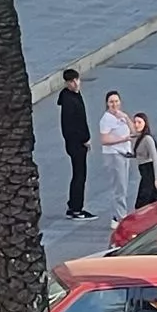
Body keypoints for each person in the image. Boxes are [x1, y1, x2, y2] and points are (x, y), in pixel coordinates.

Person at [58, 68, 94, 221]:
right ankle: (76, 208)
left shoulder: (73, 96)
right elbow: (74, 125)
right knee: (79, 175)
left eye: (76, 80)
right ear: (67, 83)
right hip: (76, 144)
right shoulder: (69, 101)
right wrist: (85, 139)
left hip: (76, 143)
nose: (76, 83)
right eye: (72, 81)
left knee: (79, 174)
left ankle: (74, 204)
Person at [99, 90, 135, 220]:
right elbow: (104, 140)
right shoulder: (106, 119)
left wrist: (125, 117)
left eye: (116, 101)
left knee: (124, 185)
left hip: (125, 154)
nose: (114, 104)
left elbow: (134, 131)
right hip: (114, 154)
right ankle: (120, 216)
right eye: (111, 102)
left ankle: (119, 215)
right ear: (107, 104)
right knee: (119, 187)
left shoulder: (121, 116)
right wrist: (123, 139)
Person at [130, 113, 157, 211]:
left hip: (149, 170)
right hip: (144, 171)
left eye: (139, 122)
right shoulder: (137, 137)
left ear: (145, 123)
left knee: (142, 200)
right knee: (153, 198)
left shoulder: (147, 139)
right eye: (135, 122)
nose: (136, 125)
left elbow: (155, 158)